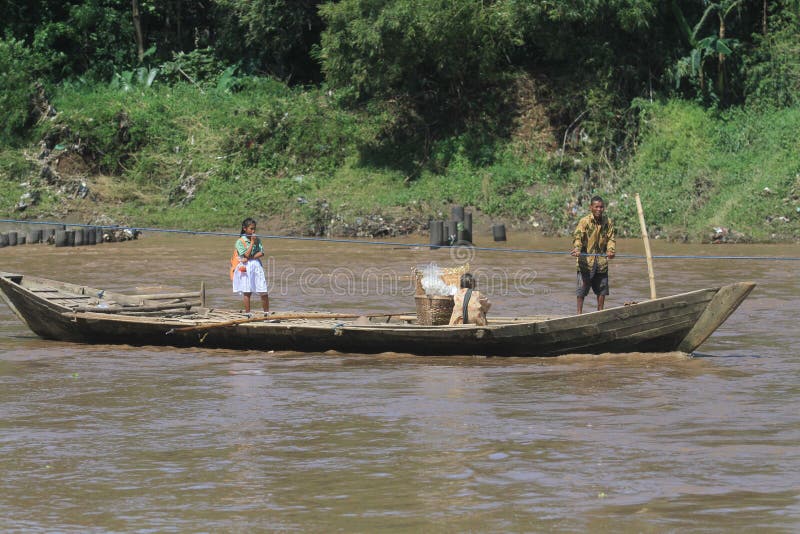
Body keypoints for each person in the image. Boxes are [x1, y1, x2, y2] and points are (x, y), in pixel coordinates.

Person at [571, 196, 616, 314]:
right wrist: (577, 249)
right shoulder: (584, 221)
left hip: (601, 261)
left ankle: (600, 313)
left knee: (602, 290)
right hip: (585, 262)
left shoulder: (608, 222)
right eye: (596, 207)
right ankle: (579, 315)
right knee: (582, 290)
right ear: (591, 207)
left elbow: (611, 239)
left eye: (601, 207)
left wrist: (611, 250)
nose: (599, 209)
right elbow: (578, 237)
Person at [231, 217, 270, 314]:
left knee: (263, 290)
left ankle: (266, 314)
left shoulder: (258, 239)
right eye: (251, 229)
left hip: (257, 265)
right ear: (245, 229)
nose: (253, 231)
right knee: (247, 291)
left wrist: (251, 257)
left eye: (254, 229)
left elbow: (261, 253)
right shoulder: (240, 241)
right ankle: (248, 313)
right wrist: (252, 242)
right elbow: (245, 255)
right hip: (245, 267)